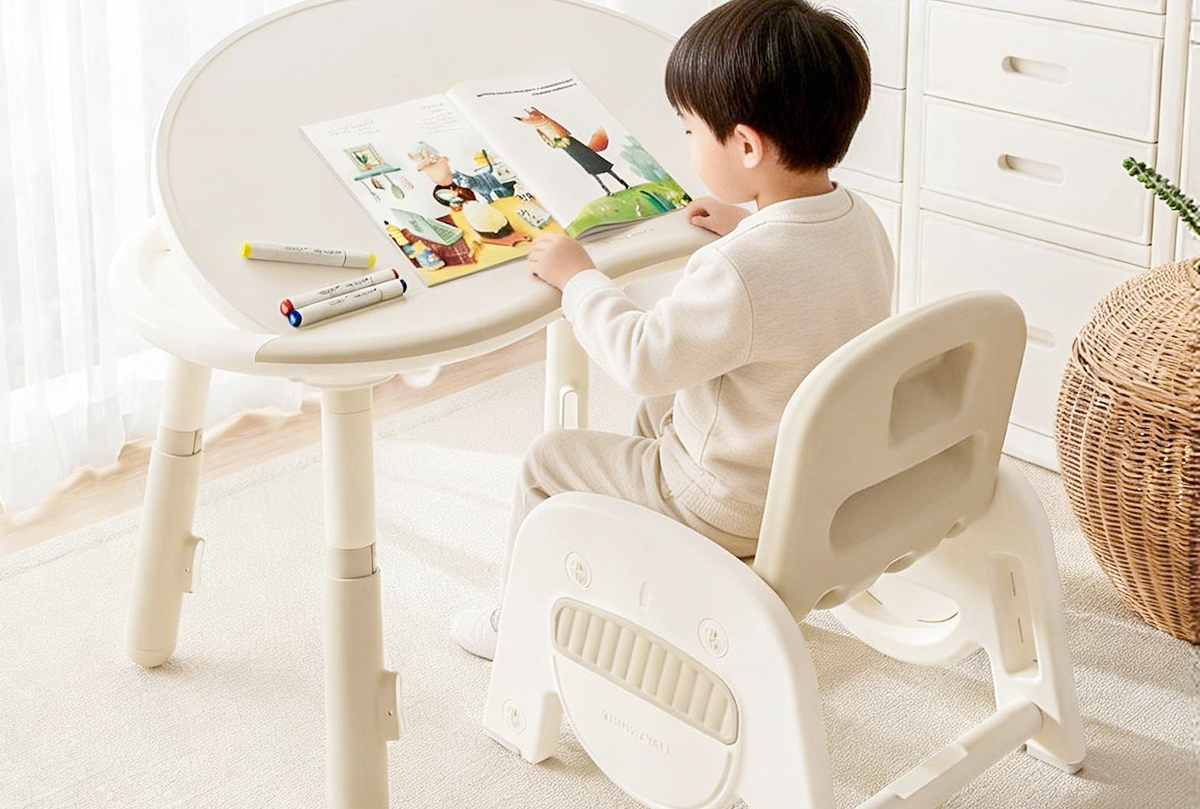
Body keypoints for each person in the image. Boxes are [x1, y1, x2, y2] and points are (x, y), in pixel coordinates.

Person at [452, 0, 893, 659]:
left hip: (732, 504)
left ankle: (515, 622)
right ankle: (636, 552)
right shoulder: (860, 222)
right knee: (663, 407)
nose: (686, 142)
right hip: (811, 481)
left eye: (690, 130)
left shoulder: (737, 271)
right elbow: (799, 288)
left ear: (746, 146)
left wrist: (579, 279)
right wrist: (750, 226)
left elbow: (641, 357)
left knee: (549, 458)